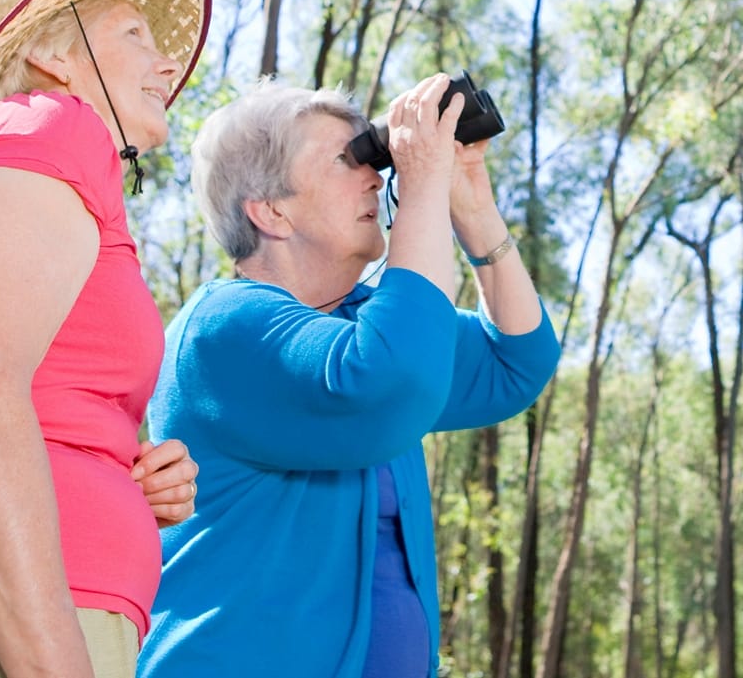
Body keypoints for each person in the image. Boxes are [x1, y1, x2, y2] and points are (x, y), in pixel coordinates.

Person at [139, 73, 559, 678]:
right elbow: (387, 383)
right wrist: (421, 187)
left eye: (372, 156)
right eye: (345, 160)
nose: (376, 176)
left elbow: (514, 363)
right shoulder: (225, 327)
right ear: (271, 210)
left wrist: (471, 206)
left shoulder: (365, 325)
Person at [0, 0, 212, 677]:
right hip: (24, 630)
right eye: (134, 33)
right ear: (53, 57)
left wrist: (124, 471)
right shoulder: (52, 122)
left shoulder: (49, 157)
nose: (167, 63)